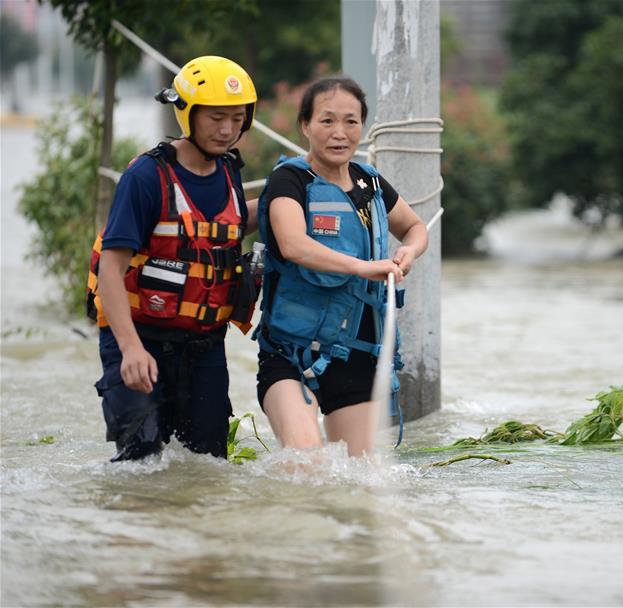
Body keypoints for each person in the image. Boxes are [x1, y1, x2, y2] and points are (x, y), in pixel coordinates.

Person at [86, 56, 260, 462]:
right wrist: (130, 349)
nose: (227, 129)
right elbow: (111, 269)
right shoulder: (146, 178)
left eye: (237, 119)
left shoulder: (230, 172)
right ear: (188, 113)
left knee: (207, 464)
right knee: (140, 460)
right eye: (216, 117)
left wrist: (294, 193)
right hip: (138, 336)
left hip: (203, 346)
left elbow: (223, 227)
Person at [254, 76, 428, 457]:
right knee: (305, 462)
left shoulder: (371, 182)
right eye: (327, 121)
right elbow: (293, 244)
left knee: (360, 485)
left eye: (351, 121)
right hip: (293, 355)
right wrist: (360, 267)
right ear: (305, 126)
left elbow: (414, 228)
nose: (340, 132)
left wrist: (409, 252)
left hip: (359, 356)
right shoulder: (290, 180)